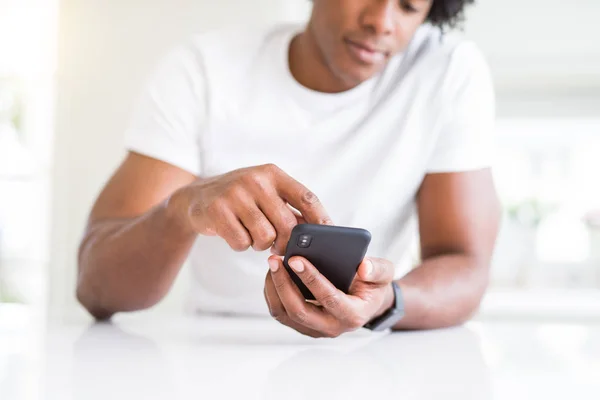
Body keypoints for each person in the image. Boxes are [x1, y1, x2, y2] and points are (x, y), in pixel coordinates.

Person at [77, 0, 501, 337]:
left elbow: (466, 267)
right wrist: (182, 209)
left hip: (367, 352)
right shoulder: (205, 69)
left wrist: (387, 301)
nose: (381, 21)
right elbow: (95, 288)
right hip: (215, 346)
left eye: (408, 6)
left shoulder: (447, 72)